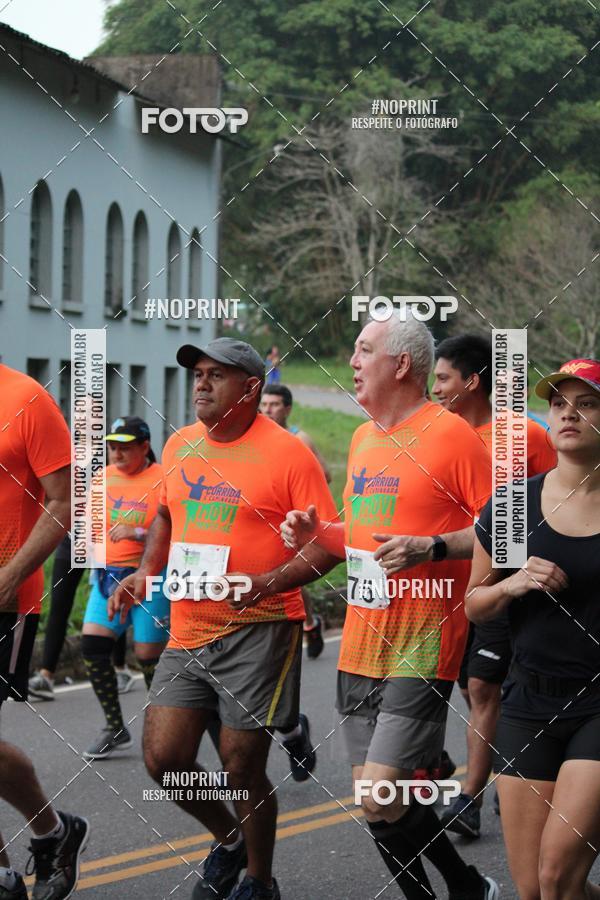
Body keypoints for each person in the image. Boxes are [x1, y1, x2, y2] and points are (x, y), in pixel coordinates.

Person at [110, 338, 338, 900]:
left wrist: (267, 582)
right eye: (198, 375)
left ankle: (260, 879)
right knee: (164, 759)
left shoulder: (288, 454)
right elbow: (165, 512)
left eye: (217, 375)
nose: (202, 385)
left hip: (260, 627)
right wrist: (146, 570)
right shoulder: (183, 444)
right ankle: (229, 837)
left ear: (251, 387)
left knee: (242, 767)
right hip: (188, 630)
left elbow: (330, 544)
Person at [282, 313, 498, 899]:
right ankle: (463, 888)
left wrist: (431, 548)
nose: (352, 362)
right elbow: (358, 533)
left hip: (424, 637)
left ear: (402, 365)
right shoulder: (362, 437)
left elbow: (504, 535)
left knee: (381, 790)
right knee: (378, 803)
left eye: (363, 350)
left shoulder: (452, 436)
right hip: (361, 639)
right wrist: (313, 530)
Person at [465, 358, 600, 899]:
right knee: (536, 892)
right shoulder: (515, 507)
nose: (569, 414)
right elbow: (476, 605)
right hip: (528, 704)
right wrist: (512, 583)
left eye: (586, 404)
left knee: (556, 874)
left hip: (597, 702)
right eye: (559, 404)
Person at [433, 334, 557, 839]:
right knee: (473, 687)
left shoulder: (525, 435)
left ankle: (470, 798)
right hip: (449, 592)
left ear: (472, 381)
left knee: (486, 685)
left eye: (442, 378)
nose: (435, 388)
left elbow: (559, 501)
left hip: (510, 584)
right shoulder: (436, 437)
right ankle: (514, 771)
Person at [0, 363, 89, 900]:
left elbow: (66, 498)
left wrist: (10, 577)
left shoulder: (26, 398)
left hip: (5, 601)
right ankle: (55, 833)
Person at [81, 416, 170, 759]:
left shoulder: (163, 478)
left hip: (151, 579)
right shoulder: (102, 478)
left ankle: (165, 723)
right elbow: (91, 525)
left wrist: (137, 533)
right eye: (113, 448)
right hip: (108, 578)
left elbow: (178, 531)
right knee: (92, 644)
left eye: (124, 448)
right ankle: (115, 727)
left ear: (145, 447)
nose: (116, 454)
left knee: (148, 656)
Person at [260, 383, 330, 658]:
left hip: (295, 518)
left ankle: (307, 623)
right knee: (281, 574)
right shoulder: (258, 438)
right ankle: (309, 624)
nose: (268, 410)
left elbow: (324, 476)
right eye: (264, 405)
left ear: (287, 408)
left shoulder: (299, 439)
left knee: (289, 576)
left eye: (274, 405)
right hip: (267, 516)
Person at [28, 538, 131, 699]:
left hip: (105, 536)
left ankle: (120, 668)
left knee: (111, 599)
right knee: (59, 604)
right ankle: (46, 676)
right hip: (74, 537)